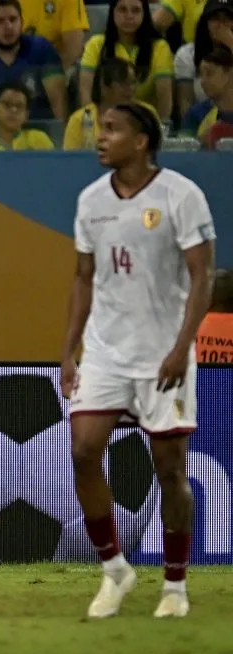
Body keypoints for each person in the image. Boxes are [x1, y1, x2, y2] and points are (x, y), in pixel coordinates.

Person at [61, 102, 216, 620]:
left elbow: (202, 277)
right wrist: (69, 350)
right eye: (99, 128)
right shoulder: (89, 201)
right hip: (106, 352)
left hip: (162, 355)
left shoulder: (181, 195)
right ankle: (115, 570)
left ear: (142, 140)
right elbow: (83, 278)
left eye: (111, 129)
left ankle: (175, 585)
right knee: (83, 450)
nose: (99, 138)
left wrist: (180, 348)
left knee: (169, 472)